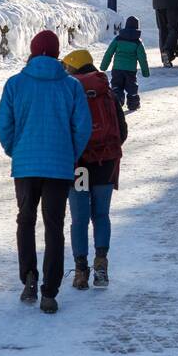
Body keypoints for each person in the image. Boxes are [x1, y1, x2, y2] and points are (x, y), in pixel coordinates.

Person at [0, 30, 92, 314]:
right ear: (58, 52)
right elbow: (82, 127)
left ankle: (28, 279)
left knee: (25, 220)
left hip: (25, 166)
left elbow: (4, 124)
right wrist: (68, 154)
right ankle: (49, 292)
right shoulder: (71, 86)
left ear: (34, 51)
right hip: (59, 168)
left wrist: (16, 150)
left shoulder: (15, 84)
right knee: (54, 226)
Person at [63, 48, 128, 290]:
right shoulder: (106, 91)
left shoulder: (70, 91)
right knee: (101, 215)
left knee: (79, 218)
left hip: (80, 165)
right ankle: (101, 265)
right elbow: (122, 131)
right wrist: (106, 151)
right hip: (106, 163)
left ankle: (81, 271)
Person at [99, 15, 150, 111]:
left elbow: (109, 53)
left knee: (116, 86)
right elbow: (143, 59)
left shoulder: (118, 39)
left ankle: (117, 101)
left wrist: (104, 66)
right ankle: (133, 104)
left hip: (117, 69)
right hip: (130, 70)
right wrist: (145, 72)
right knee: (132, 87)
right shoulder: (137, 43)